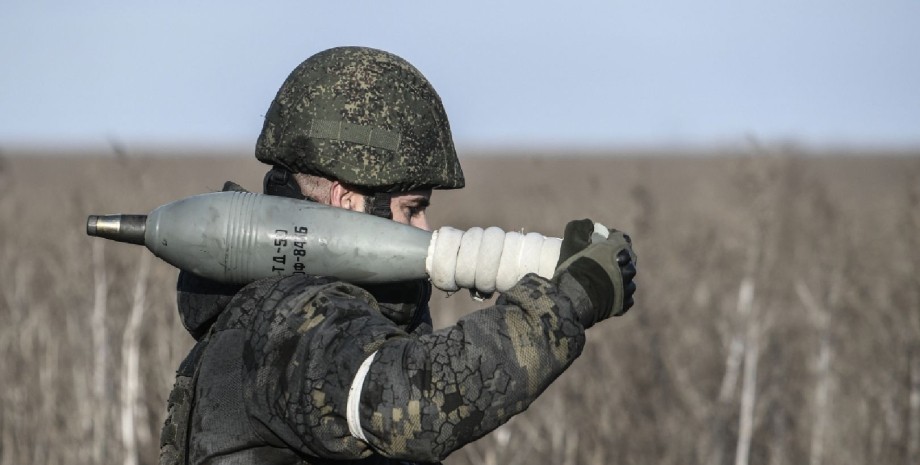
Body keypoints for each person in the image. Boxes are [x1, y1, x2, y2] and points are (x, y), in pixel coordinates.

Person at [159, 46, 638, 465]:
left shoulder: (287, 318)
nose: (425, 228)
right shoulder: (286, 325)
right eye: (413, 209)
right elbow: (411, 402)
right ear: (347, 205)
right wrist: (565, 301)